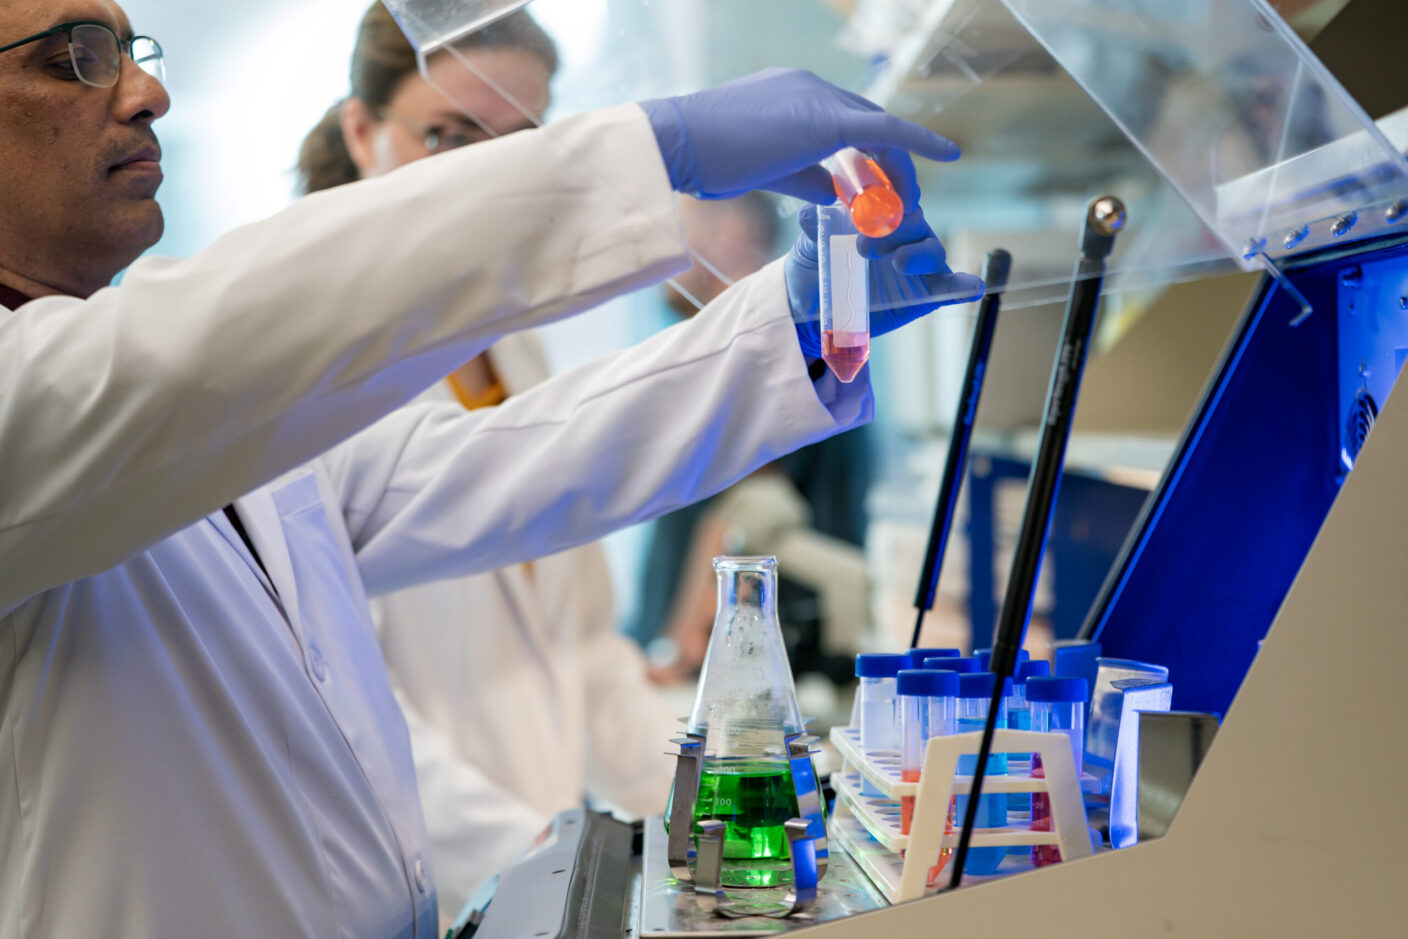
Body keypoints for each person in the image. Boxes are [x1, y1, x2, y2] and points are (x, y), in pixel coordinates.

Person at [0, 0, 983, 935]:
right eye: (74, 55)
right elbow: (191, 340)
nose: (143, 93)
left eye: (136, 52)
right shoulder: (64, 396)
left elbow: (513, 464)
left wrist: (793, 329)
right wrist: (651, 147)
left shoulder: (188, 426)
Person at [296, 6, 677, 922]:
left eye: (520, 142)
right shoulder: (307, 379)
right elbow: (334, 714)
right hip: (419, 888)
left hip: (544, 875)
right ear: (362, 131)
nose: (492, 177)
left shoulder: (518, 354)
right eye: (449, 135)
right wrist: (538, 864)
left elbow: (583, 644)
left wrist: (700, 797)